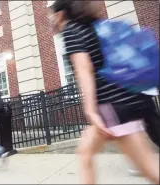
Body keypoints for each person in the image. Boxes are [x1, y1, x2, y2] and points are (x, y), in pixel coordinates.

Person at [49, 1, 159, 184]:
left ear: (60, 14)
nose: (51, 19)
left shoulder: (70, 31)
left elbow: (84, 70)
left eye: (52, 14)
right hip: (124, 100)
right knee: (84, 153)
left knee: (149, 168)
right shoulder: (93, 26)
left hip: (113, 107)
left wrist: (90, 110)